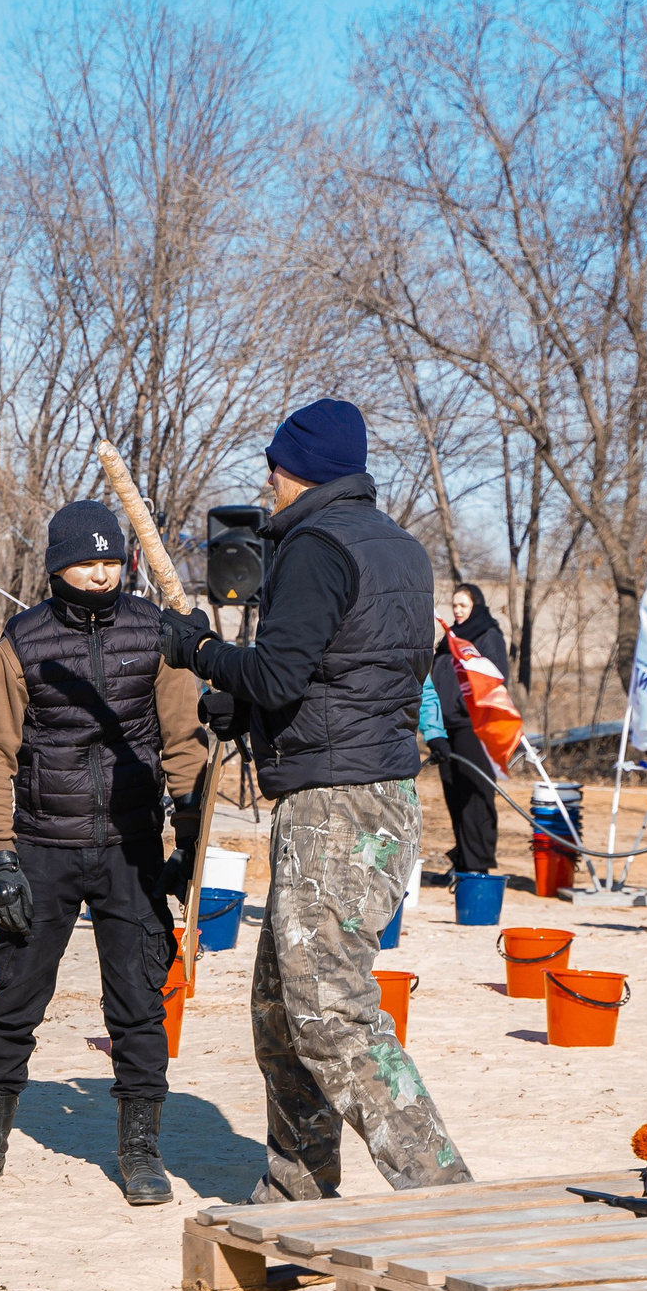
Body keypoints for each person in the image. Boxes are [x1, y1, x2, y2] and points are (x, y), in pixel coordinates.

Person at [156, 399, 472, 1203]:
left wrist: (199, 651)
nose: (268, 477)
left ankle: (443, 1191)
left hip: (337, 808)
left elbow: (282, 673)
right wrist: (248, 707)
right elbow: (345, 672)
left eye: (278, 464)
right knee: (278, 1009)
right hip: (377, 793)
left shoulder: (317, 546)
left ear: (307, 470)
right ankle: (297, 1184)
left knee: (330, 1012)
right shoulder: (398, 546)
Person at [0, 501, 208, 1205]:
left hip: (131, 846)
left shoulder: (157, 633)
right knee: (14, 1000)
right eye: (87, 559)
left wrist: (191, 834)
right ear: (58, 565)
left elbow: (183, 740)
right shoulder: (22, 641)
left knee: (139, 1005)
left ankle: (141, 1149)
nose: (101, 570)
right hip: (41, 847)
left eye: (112, 559)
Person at [430, 582, 510, 876]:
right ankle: (463, 857)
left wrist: (467, 708)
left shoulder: (487, 635)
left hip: (473, 726)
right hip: (445, 725)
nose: (458, 611)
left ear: (475, 605)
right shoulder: (449, 639)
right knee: (454, 792)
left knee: (476, 792)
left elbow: (496, 678)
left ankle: (479, 862)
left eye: (463, 605)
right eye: (454, 606)